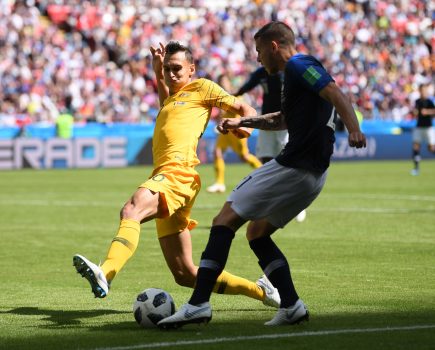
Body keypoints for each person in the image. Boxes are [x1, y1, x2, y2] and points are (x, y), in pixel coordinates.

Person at [158, 21, 366, 329]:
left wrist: (354, 127)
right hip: (313, 176)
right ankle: (292, 304)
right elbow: (283, 120)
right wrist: (242, 122)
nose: (257, 59)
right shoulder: (293, 78)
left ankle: (198, 303)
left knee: (223, 220)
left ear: (274, 46)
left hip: (293, 166)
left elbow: (334, 90)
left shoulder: (299, 64)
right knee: (256, 234)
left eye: (258, 51)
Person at [72, 41, 280, 308]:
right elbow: (165, 90)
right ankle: (261, 291)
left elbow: (244, 108)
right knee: (185, 274)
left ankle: (107, 272)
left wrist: (244, 125)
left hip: (178, 173)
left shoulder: (202, 87)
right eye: (168, 69)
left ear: (191, 69)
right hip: (170, 178)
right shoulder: (170, 100)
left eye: (177, 69)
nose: (172, 74)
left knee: (131, 210)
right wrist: (156, 68)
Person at [235, 63, 307, 222]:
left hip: (285, 122)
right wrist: (233, 95)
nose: (260, 58)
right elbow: (247, 86)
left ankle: (297, 201)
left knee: (289, 159)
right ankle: (274, 199)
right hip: (266, 122)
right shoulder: (261, 73)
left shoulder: (288, 72)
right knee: (266, 159)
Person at [206, 73, 262, 193]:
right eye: (220, 82)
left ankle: (263, 173)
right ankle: (219, 183)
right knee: (217, 152)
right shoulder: (220, 97)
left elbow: (242, 110)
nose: (222, 84)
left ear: (229, 82)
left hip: (237, 130)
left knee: (244, 156)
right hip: (226, 130)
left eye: (224, 81)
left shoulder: (236, 96)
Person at [411, 84, 435, 176]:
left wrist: (427, 112)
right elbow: (416, 112)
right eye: (422, 90)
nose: (423, 92)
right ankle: (416, 169)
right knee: (416, 146)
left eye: (425, 90)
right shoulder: (417, 101)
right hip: (419, 127)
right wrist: (415, 112)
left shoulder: (429, 101)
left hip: (428, 127)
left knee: (431, 148)